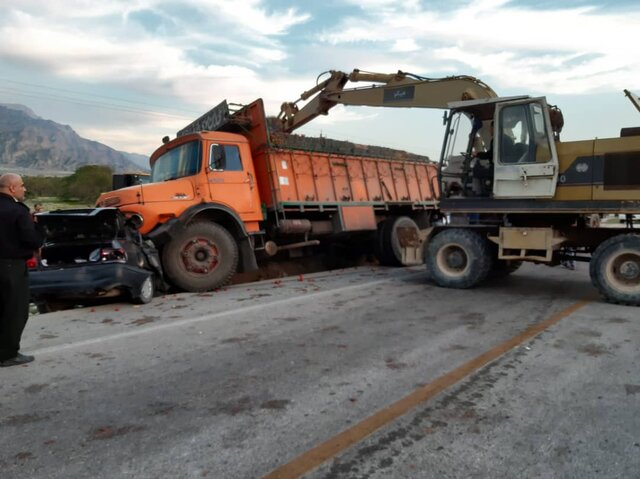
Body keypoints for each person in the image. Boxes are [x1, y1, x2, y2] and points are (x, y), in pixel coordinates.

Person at [0, 173, 44, 367]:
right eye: (22, 186)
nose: (24, 189)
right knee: (14, 311)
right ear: (12, 188)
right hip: (12, 267)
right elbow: (32, 240)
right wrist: (39, 230)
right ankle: (7, 354)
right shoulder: (18, 211)